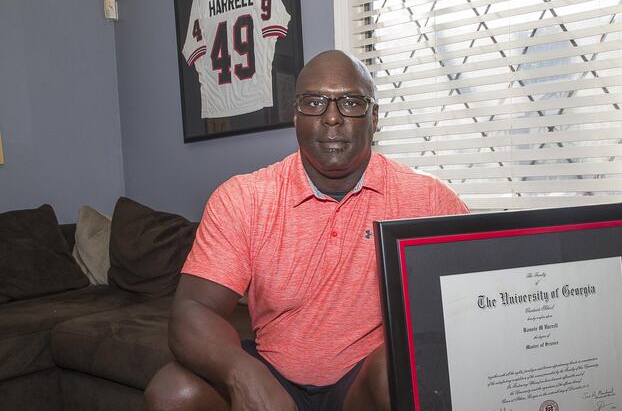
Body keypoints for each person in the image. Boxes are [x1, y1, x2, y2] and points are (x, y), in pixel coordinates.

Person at [143, 50, 469, 411]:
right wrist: (243, 374)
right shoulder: (243, 198)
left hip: (366, 385)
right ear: (295, 117)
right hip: (274, 373)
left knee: (403, 369)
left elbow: (472, 306)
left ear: (374, 117)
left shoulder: (428, 199)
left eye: (350, 102)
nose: (332, 118)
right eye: (314, 103)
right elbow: (192, 308)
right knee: (173, 393)